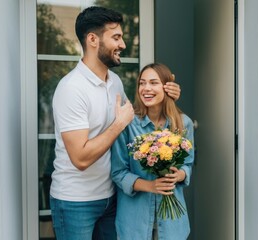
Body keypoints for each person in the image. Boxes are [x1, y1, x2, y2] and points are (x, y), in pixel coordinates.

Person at [50, 7, 181, 240]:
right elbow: (80, 158)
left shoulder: (115, 82)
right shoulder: (71, 89)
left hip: (111, 197)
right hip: (75, 203)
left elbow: (137, 119)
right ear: (93, 40)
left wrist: (167, 96)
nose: (122, 44)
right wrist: (118, 125)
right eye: (116, 37)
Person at [111, 63, 194, 240]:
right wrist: (150, 186)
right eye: (142, 83)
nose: (146, 88)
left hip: (173, 224)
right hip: (134, 222)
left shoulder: (182, 123)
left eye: (153, 83)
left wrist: (179, 175)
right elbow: (118, 173)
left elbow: (188, 164)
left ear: (167, 87)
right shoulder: (128, 123)